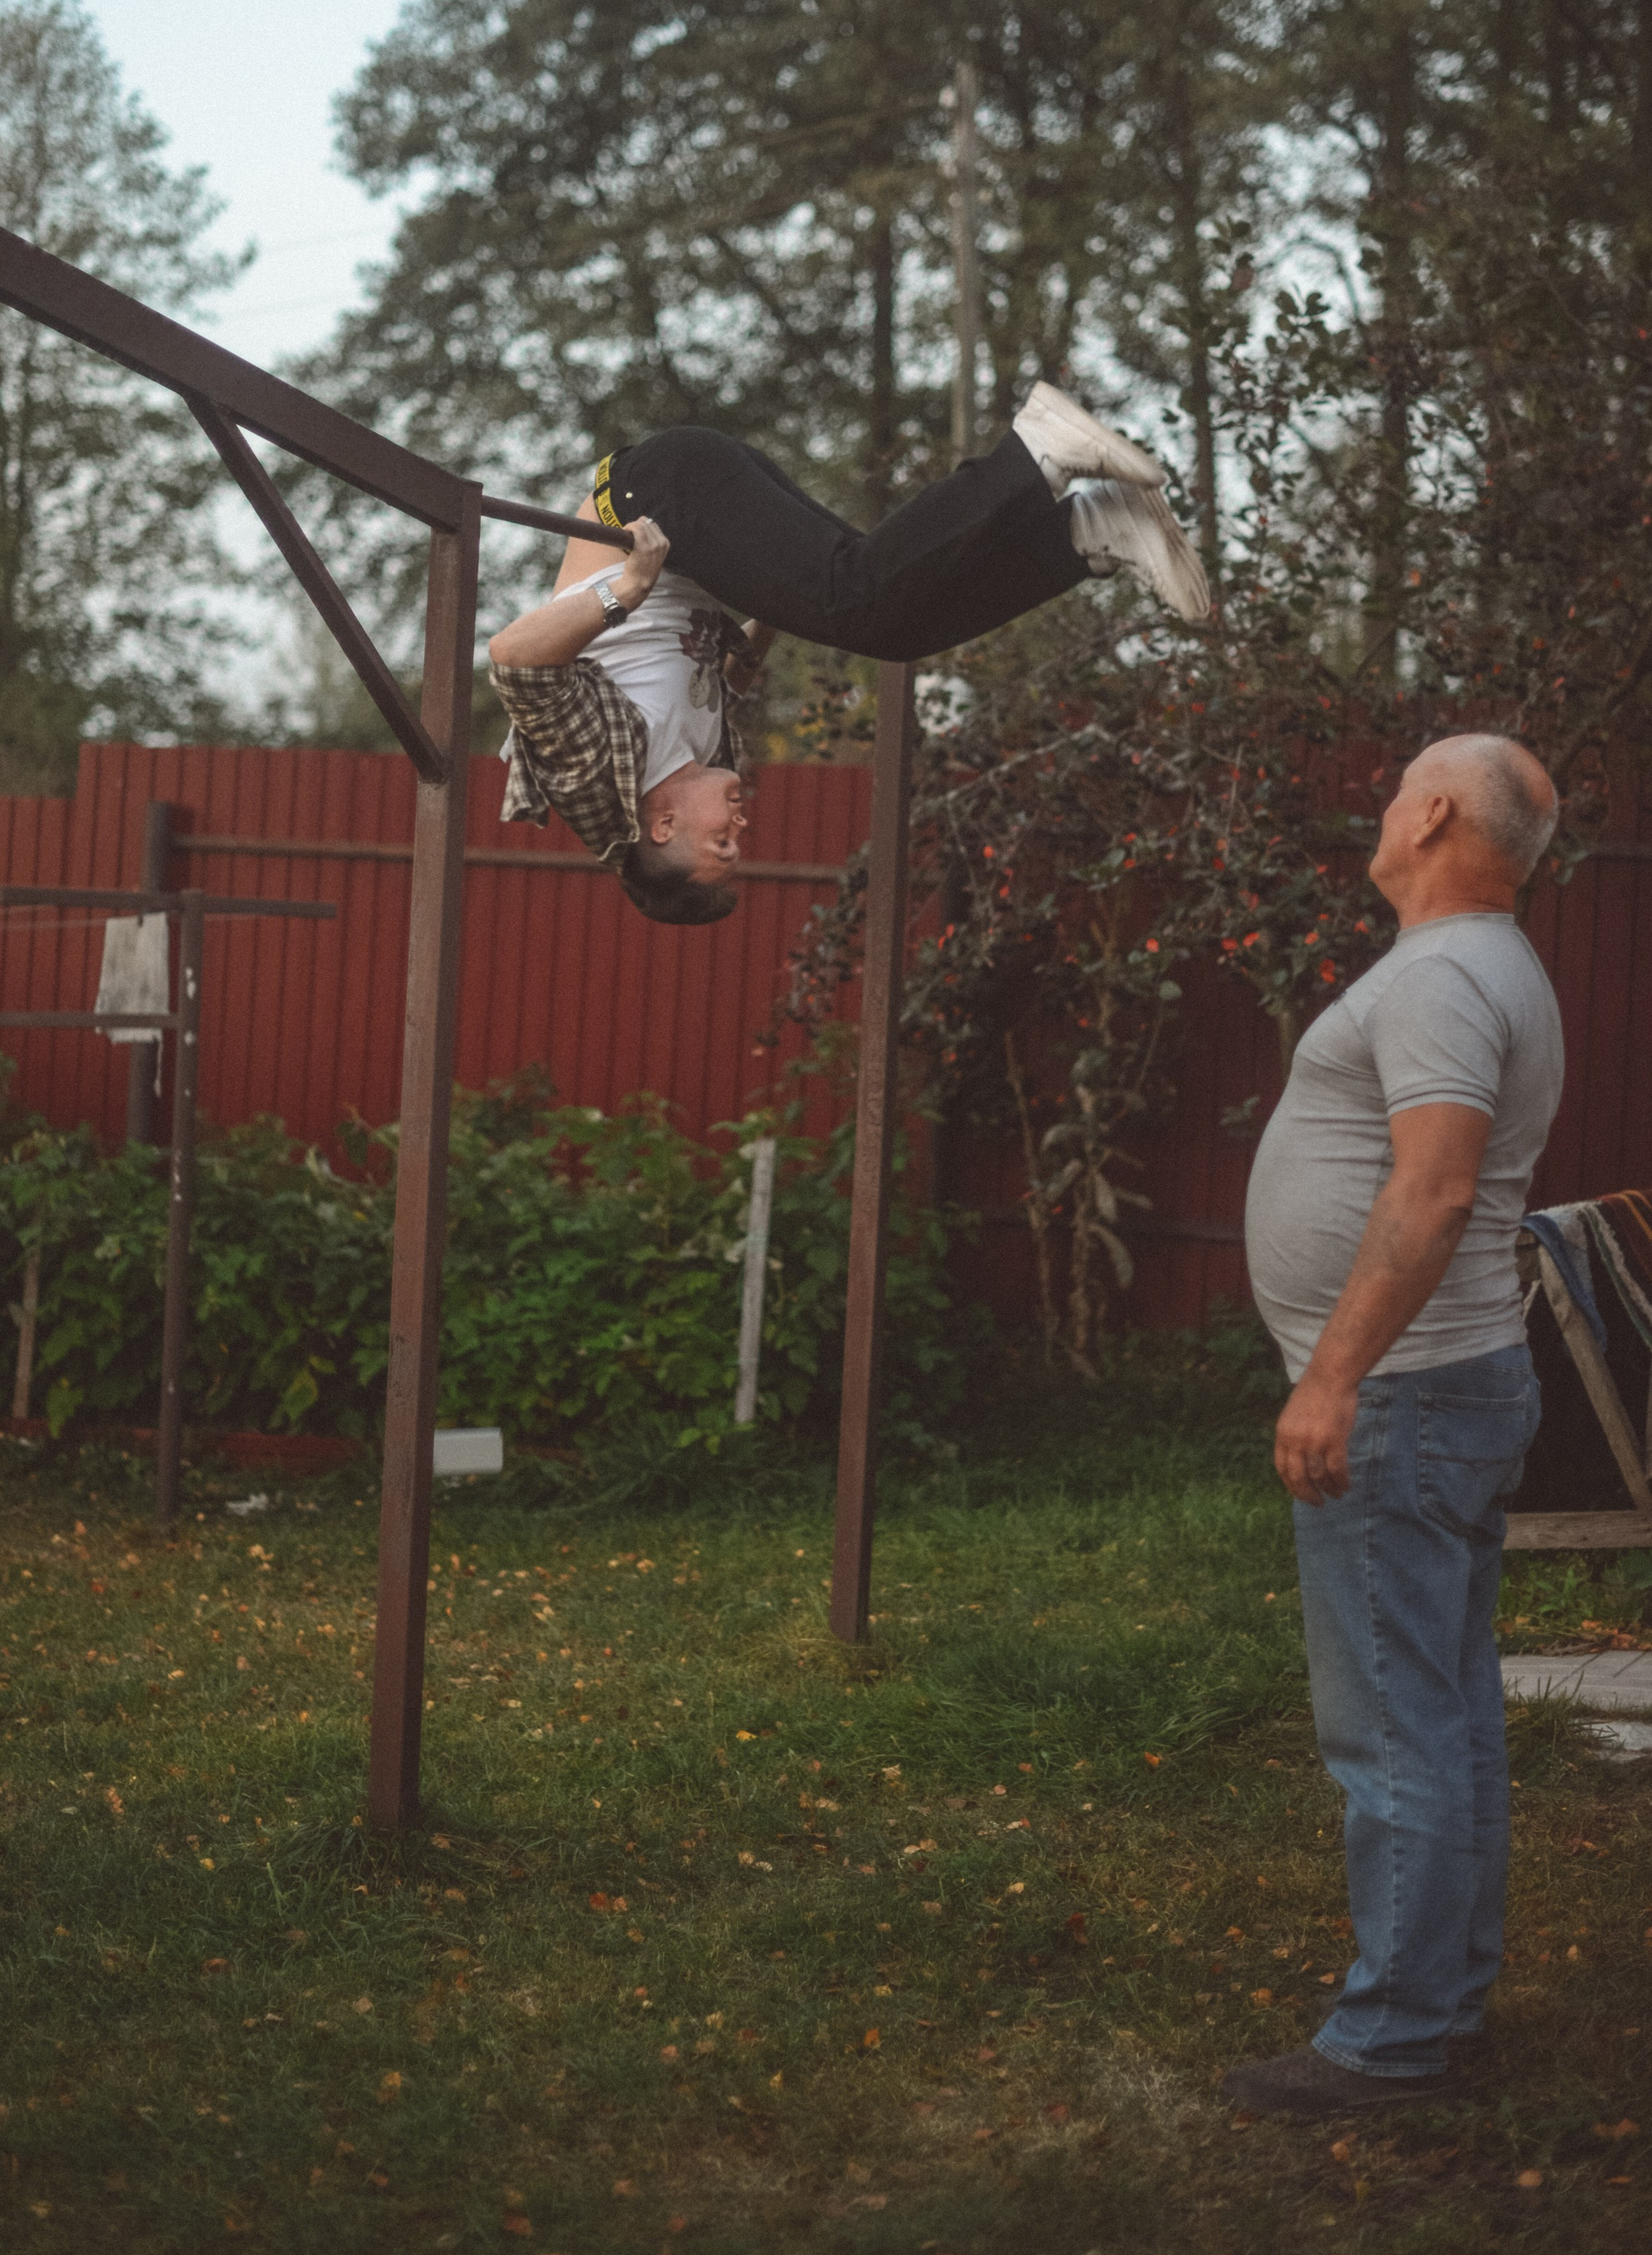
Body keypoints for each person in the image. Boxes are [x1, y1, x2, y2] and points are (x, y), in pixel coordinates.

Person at [1222, 734, 1563, 2119]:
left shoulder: (1439, 972)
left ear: (1431, 814)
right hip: (1452, 1384)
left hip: (1407, 1396)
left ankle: (1396, 2043)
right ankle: (1446, 1996)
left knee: (1393, 1728)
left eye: (1391, 792)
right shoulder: (1494, 967)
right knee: (1451, 1709)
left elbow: (1430, 1195)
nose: (1379, 811)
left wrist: (1333, 1378)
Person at [488, 386, 1209, 920]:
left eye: (724, 846)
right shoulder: (696, 760)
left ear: (663, 827)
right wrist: (774, 616)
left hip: (653, 496)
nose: (741, 829)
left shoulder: (594, 782)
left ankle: (1038, 449)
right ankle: (1088, 535)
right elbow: (721, 685)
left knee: (854, 596)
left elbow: (514, 660)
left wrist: (630, 587)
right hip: (692, 523)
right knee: (892, 627)